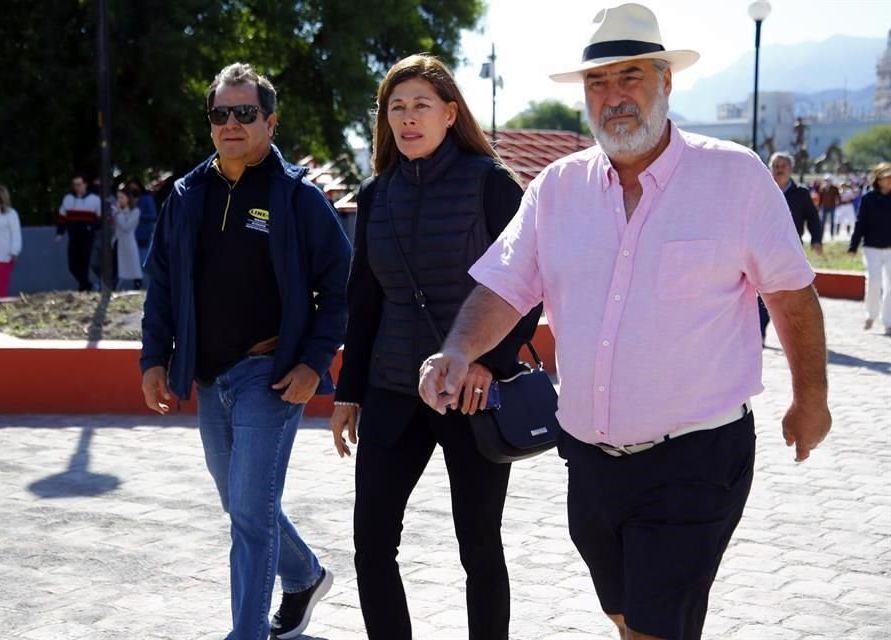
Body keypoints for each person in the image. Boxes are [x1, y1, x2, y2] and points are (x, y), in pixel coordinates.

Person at [418, 5, 831, 640]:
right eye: (598, 83)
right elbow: (503, 288)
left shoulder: (735, 177)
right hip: (589, 462)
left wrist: (812, 400)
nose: (614, 97)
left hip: (697, 459)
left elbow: (794, 297)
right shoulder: (557, 189)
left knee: (653, 628)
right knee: (624, 616)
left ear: (667, 81)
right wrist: (455, 350)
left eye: (630, 77)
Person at [329, 54, 541, 640]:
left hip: (471, 396)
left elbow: (528, 289)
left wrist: (489, 365)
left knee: (479, 548)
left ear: (451, 113)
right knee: (371, 545)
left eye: (421, 104)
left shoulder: (491, 184)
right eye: (396, 107)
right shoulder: (376, 194)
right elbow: (364, 300)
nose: (408, 118)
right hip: (393, 392)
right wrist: (349, 393)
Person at [139, 62, 350, 640]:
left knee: (250, 515)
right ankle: (305, 576)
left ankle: (246, 632)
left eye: (245, 112)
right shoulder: (187, 195)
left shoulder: (297, 196)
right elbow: (160, 283)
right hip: (209, 376)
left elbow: (340, 286)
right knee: (242, 506)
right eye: (220, 114)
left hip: (271, 373)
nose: (231, 123)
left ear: (270, 121)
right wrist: (154, 358)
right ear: (210, 124)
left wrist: (313, 364)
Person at [759, 152, 823, 343]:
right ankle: (759, 333)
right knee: (762, 293)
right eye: (776, 166)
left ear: (791, 169)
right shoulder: (762, 190)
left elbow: (813, 218)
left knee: (790, 293)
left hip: (791, 250)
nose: (779, 169)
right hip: (762, 249)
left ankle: (798, 336)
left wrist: (817, 240)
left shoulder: (801, 194)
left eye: (783, 166)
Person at [848, 162, 891, 335]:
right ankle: (870, 314)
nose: (889, 180)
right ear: (878, 179)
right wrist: (853, 245)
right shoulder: (868, 199)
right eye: (886, 177)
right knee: (874, 282)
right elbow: (861, 223)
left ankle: (888, 321)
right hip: (872, 247)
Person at [56, 175, 101, 291]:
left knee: (84, 262)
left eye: (79, 184)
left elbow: (100, 219)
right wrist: (60, 232)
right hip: (74, 236)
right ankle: (87, 284)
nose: (76, 187)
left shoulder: (94, 200)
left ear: (85, 184)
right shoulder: (68, 199)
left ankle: (84, 287)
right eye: (74, 185)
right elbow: (62, 217)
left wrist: (92, 228)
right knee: (73, 265)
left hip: (88, 236)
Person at [111, 187, 143, 289]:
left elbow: (126, 226)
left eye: (121, 197)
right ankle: (113, 287)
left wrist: (118, 213)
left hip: (128, 243)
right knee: (115, 268)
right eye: (118, 198)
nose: (119, 200)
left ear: (128, 198)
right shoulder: (116, 211)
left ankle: (137, 286)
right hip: (117, 242)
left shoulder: (135, 211)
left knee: (133, 268)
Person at [127, 178, 157, 266]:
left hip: (143, 234)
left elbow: (153, 216)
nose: (132, 190)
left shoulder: (147, 198)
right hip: (131, 235)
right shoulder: (129, 200)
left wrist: (136, 216)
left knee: (142, 262)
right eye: (130, 188)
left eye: (134, 188)